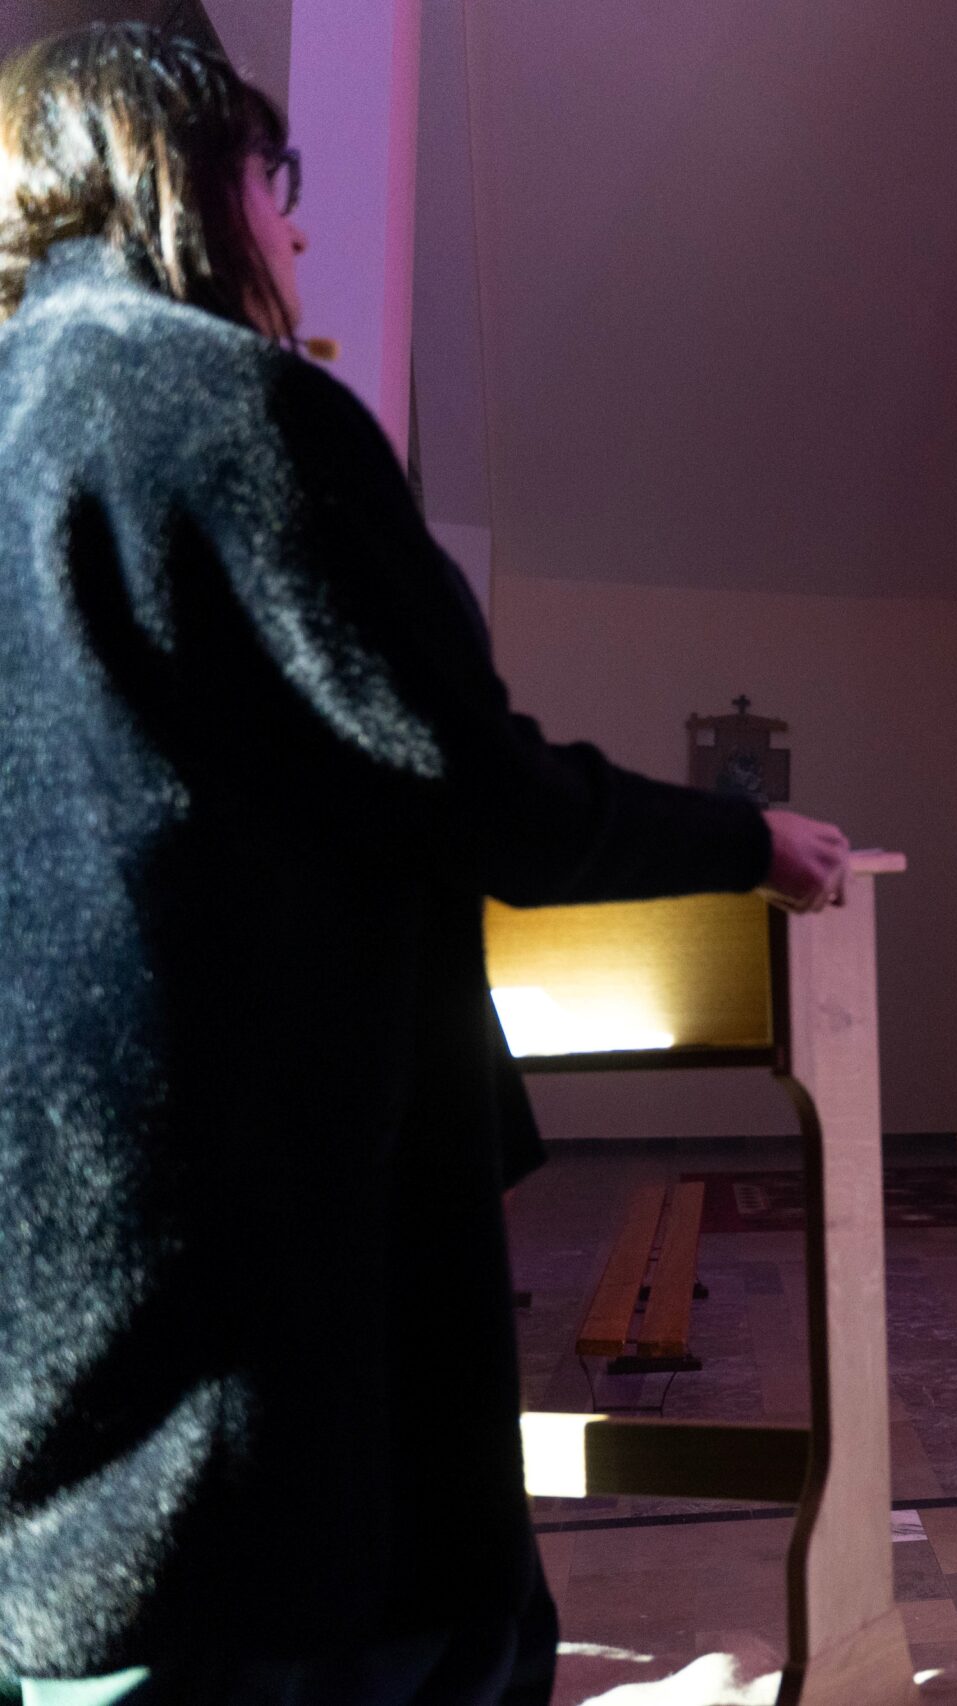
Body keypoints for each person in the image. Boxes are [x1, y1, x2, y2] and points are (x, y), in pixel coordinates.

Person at [0, 27, 854, 1704]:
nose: (297, 225)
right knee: (362, 1636)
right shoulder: (238, 413)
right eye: (276, 180)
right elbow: (474, 786)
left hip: (47, 1288)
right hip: (264, 1267)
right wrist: (742, 836)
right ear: (190, 170)